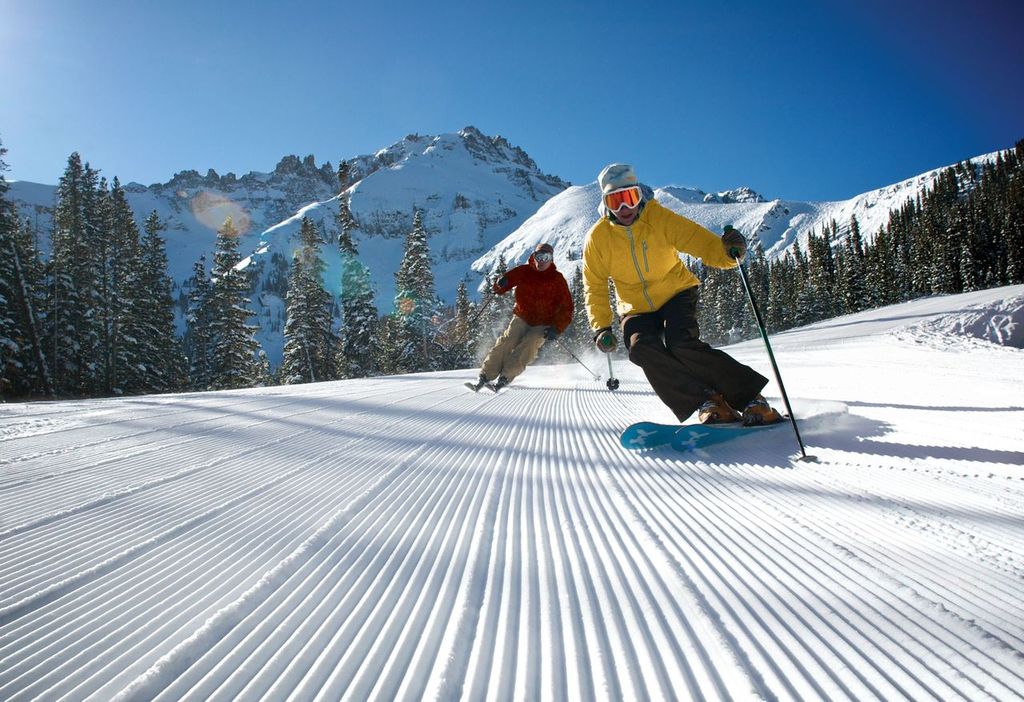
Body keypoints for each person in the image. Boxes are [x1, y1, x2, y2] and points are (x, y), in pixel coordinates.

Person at [582, 163, 783, 425]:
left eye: (629, 198)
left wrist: (728, 252)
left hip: (676, 291)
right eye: (615, 201)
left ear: (639, 194)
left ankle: (751, 399)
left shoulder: (659, 218)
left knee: (681, 343)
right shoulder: (598, 238)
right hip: (635, 307)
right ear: (605, 203)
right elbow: (594, 285)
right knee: (641, 347)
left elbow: (698, 241)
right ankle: (706, 400)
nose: (624, 209)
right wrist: (601, 327)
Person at [469, 242, 574, 391]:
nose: (542, 261)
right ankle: (485, 376)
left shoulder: (557, 279)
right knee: (508, 340)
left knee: (529, 344)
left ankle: (505, 377)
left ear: (551, 259)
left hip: (543, 323)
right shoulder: (524, 271)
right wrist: (501, 283)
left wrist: (556, 328)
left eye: (546, 257)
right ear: (534, 256)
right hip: (522, 317)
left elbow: (567, 308)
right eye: (539, 256)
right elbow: (501, 286)